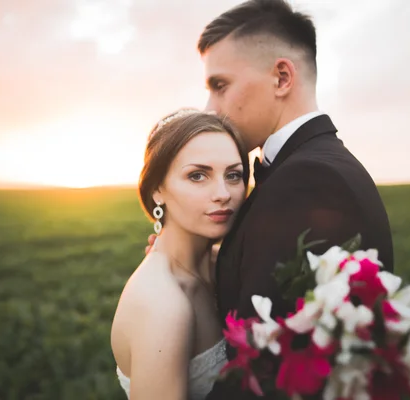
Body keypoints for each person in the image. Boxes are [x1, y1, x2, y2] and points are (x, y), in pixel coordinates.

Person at [146, 1, 395, 398]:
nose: (210, 107)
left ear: (281, 77)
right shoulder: (306, 168)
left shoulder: (309, 181)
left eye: (220, 85)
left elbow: (264, 377)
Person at [110, 108, 251, 400]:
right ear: (157, 189)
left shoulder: (218, 266)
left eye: (234, 175)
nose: (223, 193)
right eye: (198, 175)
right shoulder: (162, 303)